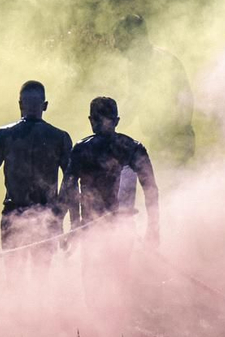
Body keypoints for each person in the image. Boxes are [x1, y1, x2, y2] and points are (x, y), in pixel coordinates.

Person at [0, 81, 73, 263]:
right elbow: (71, 184)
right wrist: (62, 218)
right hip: (46, 216)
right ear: (45, 106)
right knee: (41, 275)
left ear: (20, 104)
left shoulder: (5, 135)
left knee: (13, 276)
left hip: (14, 214)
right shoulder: (60, 137)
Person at [63, 96, 160, 246]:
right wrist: (153, 226)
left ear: (91, 120)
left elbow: (69, 188)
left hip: (97, 227)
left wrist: (75, 224)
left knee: (97, 268)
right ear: (117, 121)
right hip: (117, 227)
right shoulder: (132, 148)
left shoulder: (82, 149)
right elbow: (151, 189)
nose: (102, 123)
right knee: (119, 268)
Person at [114, 14, 194, 167]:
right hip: (160, 141)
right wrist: (110, 126)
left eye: (120, 40)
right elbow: (134, 100)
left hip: (175, 142)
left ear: (133, 38)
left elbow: (185, 100)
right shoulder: (135, 66)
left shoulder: (164, 61)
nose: (116, 46)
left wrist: (177, 135)